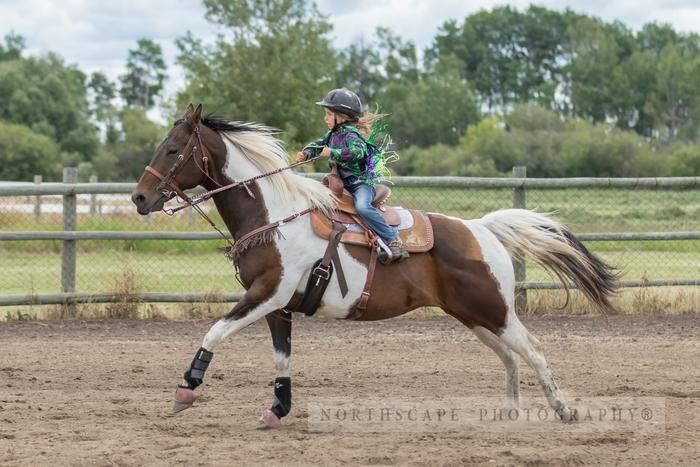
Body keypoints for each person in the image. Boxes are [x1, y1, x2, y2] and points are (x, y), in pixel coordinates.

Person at [297, 88, 409, 263]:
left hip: (360, 184)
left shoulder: (351, 134)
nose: (324, 118)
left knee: (363, 207)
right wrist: (307, 153)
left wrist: (331, 152)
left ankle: (392, 238)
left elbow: (357, 152)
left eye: (328, 114)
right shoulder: (332, 133)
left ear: (340, 116)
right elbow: (318, 144)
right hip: (344, 184)